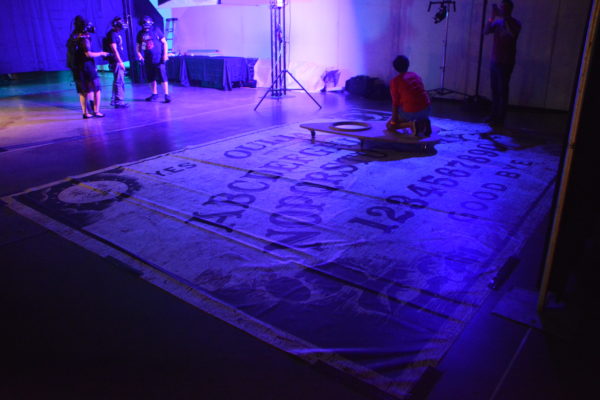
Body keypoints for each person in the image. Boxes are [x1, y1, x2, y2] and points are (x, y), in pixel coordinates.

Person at [484, 0, 521, 126]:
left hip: (506, 62)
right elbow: (486, 31)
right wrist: (492, 17)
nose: (501, 10)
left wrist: (505, 18)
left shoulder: (515, 23)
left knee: (502, 91)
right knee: (494, 90)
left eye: (503, 8)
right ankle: (493, 115)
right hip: (495, 61)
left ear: (509, 9)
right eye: (501, 8)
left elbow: (512, 33)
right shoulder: (498, 23)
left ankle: (501, 118)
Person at [67, 16, 109, 118]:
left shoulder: (73, 37)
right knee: (96, 88)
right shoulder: (84, 38)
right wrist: (101, 53)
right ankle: (96, 111)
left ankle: (85, 112)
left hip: (77, 68)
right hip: (87, 66)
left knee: (83, 91)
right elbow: (88, 54)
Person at [386, 55, 432, 136]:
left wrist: (393, 122)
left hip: (411, 112)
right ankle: (423, 122)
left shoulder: (395, 81)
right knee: (405, 109)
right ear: (408, 64)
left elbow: (395, 104)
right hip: (427, 109)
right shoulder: (415, 75)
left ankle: (411, 124)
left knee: (389, 125)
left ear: (395, 68)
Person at [136, 16, 171, 103]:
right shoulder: (141, 33)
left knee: (163, 76)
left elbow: (164, 43)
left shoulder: (156, 30)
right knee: (151, 77)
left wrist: (165, 55)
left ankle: (166, 95)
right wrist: (140, 53)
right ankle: (154, 94)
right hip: (148, 59)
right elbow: (142, 44)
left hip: (159, 58)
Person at [104, 16, 129, 108]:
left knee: (118, 80)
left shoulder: (117, 33)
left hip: (118, 61)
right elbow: (114, 50)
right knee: (119, 81)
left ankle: (115, 100)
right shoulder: (112, 34)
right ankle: (119, 101)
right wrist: (120, 62)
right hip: (116, 61)